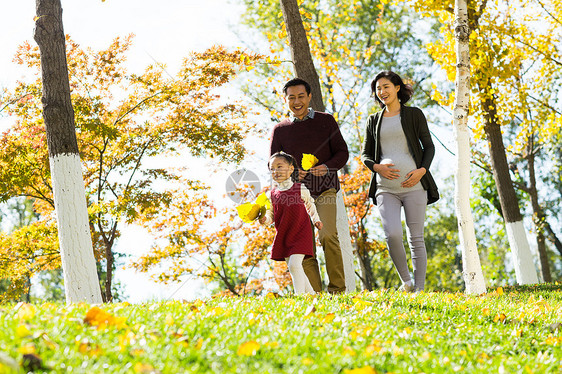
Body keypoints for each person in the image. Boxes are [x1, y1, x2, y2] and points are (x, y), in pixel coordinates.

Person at [361, 71, 439, 292]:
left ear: (397, 88)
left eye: (386, 86)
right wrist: (377, 167)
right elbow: (365, 154)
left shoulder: (414, 114)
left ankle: (420, 289)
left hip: (415, 186)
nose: (382, 92)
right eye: (378, 89)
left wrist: (422, 170)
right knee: (392, 234)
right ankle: (407, 281)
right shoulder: (373, 120)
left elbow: (429, 146)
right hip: (385, 188)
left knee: (416, 238)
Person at [270, 78, 349, 294]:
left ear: (309, 97)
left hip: (325, 189)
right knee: (300, 246)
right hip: (294, 195)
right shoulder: (280, 130)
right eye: (292, 97)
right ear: (285, 100)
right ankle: (315, 294)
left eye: (301, 96)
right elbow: (274, 164)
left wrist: (326, 166)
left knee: (327, 234)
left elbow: (342, 153)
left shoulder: (326, 121)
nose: (297, 102)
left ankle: (337, 290)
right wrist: (292, 172)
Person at [260, 152, 323, 295]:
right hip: (284, 234)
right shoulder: (272, 194)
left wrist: (316, 220)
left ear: (291, 169)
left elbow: (310, 205)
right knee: (294, 267)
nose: (275, 171)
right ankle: (312, 295)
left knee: (295, 265)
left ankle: (299, 297)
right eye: (272, 169)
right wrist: (265, 220)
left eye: (279, 166)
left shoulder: (300, 188)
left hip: (301, 232)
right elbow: (271, 215)